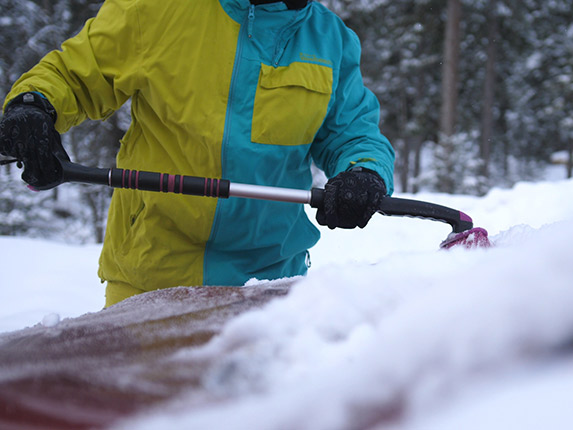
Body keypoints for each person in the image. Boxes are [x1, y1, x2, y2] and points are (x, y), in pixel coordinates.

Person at [0, 0, 395, 306]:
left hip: (270, 287)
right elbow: (73, 73)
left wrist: (365, 172)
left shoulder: (331, 40)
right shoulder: (159, 9)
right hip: (151, 277)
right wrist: (34, 105)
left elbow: (354, 132)